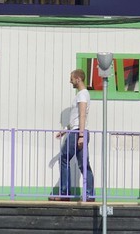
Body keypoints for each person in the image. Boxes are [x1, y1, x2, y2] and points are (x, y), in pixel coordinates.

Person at [54, 68, 94, 202]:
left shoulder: (82, 95)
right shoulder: (83, 94)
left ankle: (65, 192)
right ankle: (89, 194)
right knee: (84, 163)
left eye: (71, 79)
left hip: (78, 132)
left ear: (78, 79)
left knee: (64, 158)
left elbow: (82, 115)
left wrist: (80, 135)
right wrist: (65, 129)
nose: (70, 81)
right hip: (77, 131)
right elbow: (76, 117)